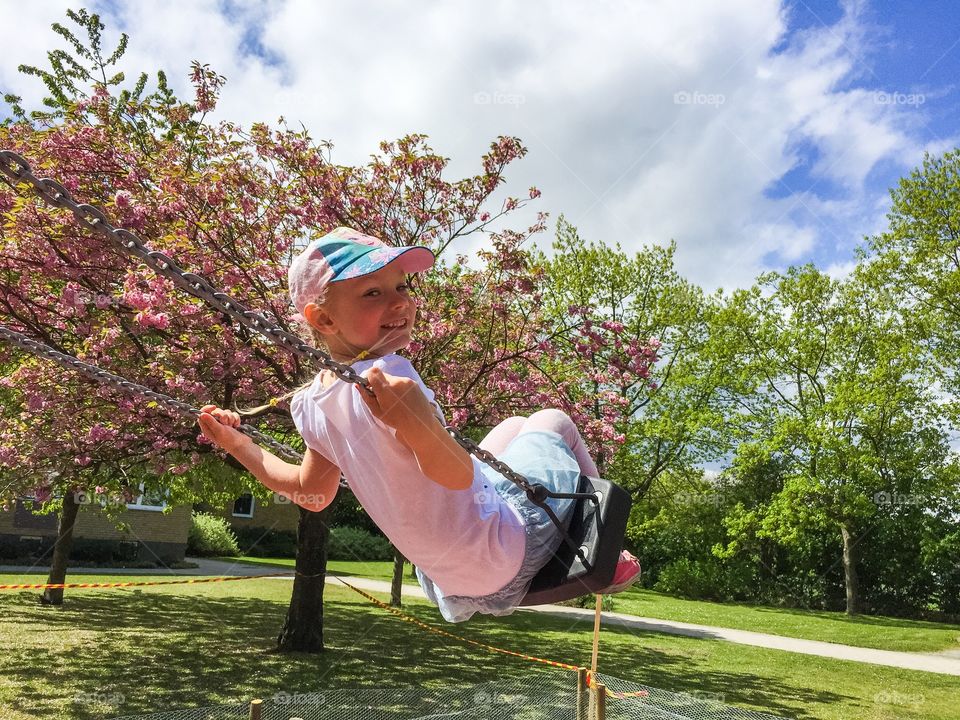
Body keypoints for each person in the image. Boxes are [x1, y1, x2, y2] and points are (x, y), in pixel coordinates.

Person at [197, 226, 641, 622]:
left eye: (402, 286)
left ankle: (583, 531)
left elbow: (310, 493)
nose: (401, 302)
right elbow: (454, 473)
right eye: (373, 293)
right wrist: (416, 425)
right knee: (553, 420)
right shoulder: (392, 371)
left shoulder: (310, 402)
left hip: (447, 580)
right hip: (503, 553)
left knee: (514, 424)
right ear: (323, 318)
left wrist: (239, 445)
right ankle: (603, 546)